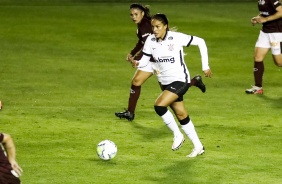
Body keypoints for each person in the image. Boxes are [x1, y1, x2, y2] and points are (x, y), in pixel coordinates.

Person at [130, 13, 212, 157]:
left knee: (159, 105)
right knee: (181, 115)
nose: (154, 30)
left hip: (180, 80)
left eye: (158, 27)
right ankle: (198, 146)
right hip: (164, 82)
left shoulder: (176, 37)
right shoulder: (150, 40)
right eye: (153, 27)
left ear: (165, 26)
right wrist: (137, 63)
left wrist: (205, 66)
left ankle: (177, 135)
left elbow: (201, 42)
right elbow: (146, 60)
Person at [115, 3, 206, 121]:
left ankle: (193, 81)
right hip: (150, 60)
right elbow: (142, 42)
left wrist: (138, 59)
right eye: (131, 15)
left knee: (168, 89)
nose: (133, 17)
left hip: (159, 61)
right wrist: (133, 53)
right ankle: (130, 112)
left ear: (142, 13)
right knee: (136, 82)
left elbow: (152, 46)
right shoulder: (140, 28)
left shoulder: (149, 25)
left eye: (136, 14)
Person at [245, 0, 282, 94]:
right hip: (265, 32)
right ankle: (258, 87)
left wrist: (265, 19)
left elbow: (281, 11)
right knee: (257, 57)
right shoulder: (261, 0)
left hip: (276, 33)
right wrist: (258, 18)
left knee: (279, 62)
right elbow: (266, 12)